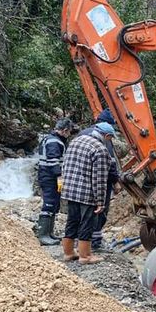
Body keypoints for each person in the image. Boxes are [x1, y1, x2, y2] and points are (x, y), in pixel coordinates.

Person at [60, 122, 113, 265]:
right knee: (87, 223)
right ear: (106, 136)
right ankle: (85, 256)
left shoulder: (75, 141)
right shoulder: (100, 150)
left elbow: (64, 165)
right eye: (110, 138)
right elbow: (100, 179)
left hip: (70, 190)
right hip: (86, 193)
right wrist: (100, 202)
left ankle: (69, 253)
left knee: (72, 221)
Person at [83, 109, 121, 249]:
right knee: (100, 210)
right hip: (100, 181)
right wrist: (115, 180)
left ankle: (82, 241)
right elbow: (110, 163)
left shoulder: (82, 134)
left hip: (82, 181)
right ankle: (95, 243)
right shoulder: (104, 139)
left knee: (84, 212)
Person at [35, 118, 74, 246]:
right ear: (65, 130)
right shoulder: (54, 141)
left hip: (47, 176)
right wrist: (59, 176)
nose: (69, 134)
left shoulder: (51, 138)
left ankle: (49, 233)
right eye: (69, 132)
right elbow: (53, 161)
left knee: (54, 204)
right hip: (49, 177)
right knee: (50, 204)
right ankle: (43, 235)